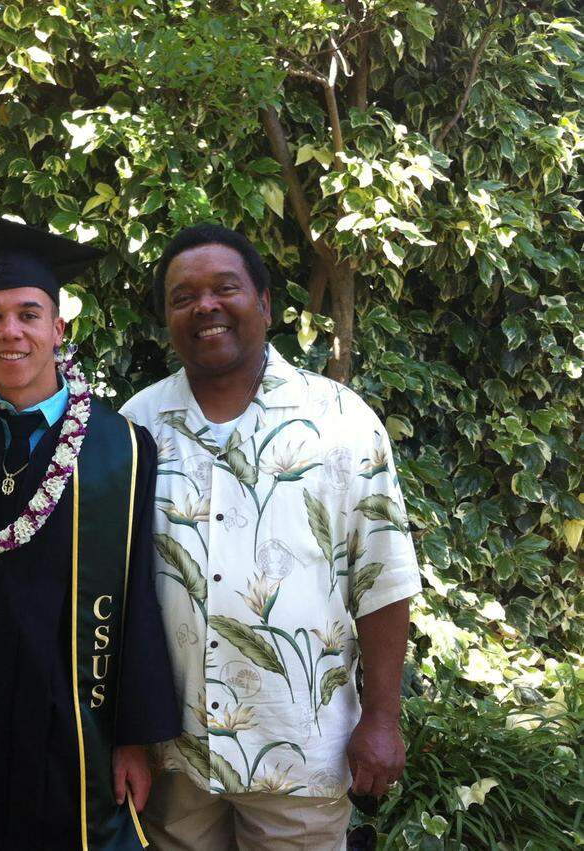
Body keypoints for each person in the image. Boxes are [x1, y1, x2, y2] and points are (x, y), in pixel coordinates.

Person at [119, 224, 422, 849]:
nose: (205, 306)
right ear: (167, 317)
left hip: (299, 753)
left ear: (263, 302)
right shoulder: (135, 428)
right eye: (183, 296)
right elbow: (115, 588)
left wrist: (383, 716)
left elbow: (383, 577)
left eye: (224, 288)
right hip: (174, 758)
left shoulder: (340, 421)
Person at [0, 218, 181, 851]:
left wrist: (132, 737)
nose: (10, 331)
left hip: (69, 719)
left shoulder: (119, 446)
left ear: (58, 328)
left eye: (28, 314)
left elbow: (139, 594)